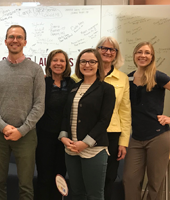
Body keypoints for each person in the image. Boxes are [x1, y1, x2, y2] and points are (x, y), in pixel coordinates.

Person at [0, 25, 45, 200]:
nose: (15, 40)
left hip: (26, 135)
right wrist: (3, 127)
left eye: (19, 37)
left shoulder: (35, 70)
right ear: (5, 41)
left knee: (26, 184)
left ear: (25, 42)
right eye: (11, 37)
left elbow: (39, 105)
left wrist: (21, 130)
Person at [123, 41, 170, 200]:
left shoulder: (158, 76)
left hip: (158, 137)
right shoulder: (128, 78)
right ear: (134, 55)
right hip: (136, 138)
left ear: (152, 57)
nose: (143, 55)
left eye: (147, 53)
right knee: (129, 180)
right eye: (139, 52)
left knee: (155, 183)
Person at [59, 48, 115, 200]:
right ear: (78, 64)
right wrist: (63, 137)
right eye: (83, 61)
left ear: (99, 64)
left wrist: (85, 143)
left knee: (94, 195)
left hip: (94, 150)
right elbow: (66, 115)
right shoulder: (73, 88)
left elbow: (104, 121)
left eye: (92, 61)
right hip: (71, 149)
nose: (87, 65)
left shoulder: (107, 89)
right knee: (77, 193)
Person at [35, 49, 74, 200]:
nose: (58, 63)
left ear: (67, 64)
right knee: (44, 176)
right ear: (49, 64)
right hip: (44, 137)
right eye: (55, 60)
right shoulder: (42, 83)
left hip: (65, 138)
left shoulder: (73, 84)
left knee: (60, 177)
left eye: (62, 60)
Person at [95, 37, 131, 200]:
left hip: (112, 134)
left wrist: (123, 141)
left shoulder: (122, 78)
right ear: (97, 50)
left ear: (116, 54)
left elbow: (125, 111)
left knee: (109, 177)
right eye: (104, 48)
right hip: (87, 134)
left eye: (112, 49)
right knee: (89, 177)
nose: (108, 52)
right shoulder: (84, 73)